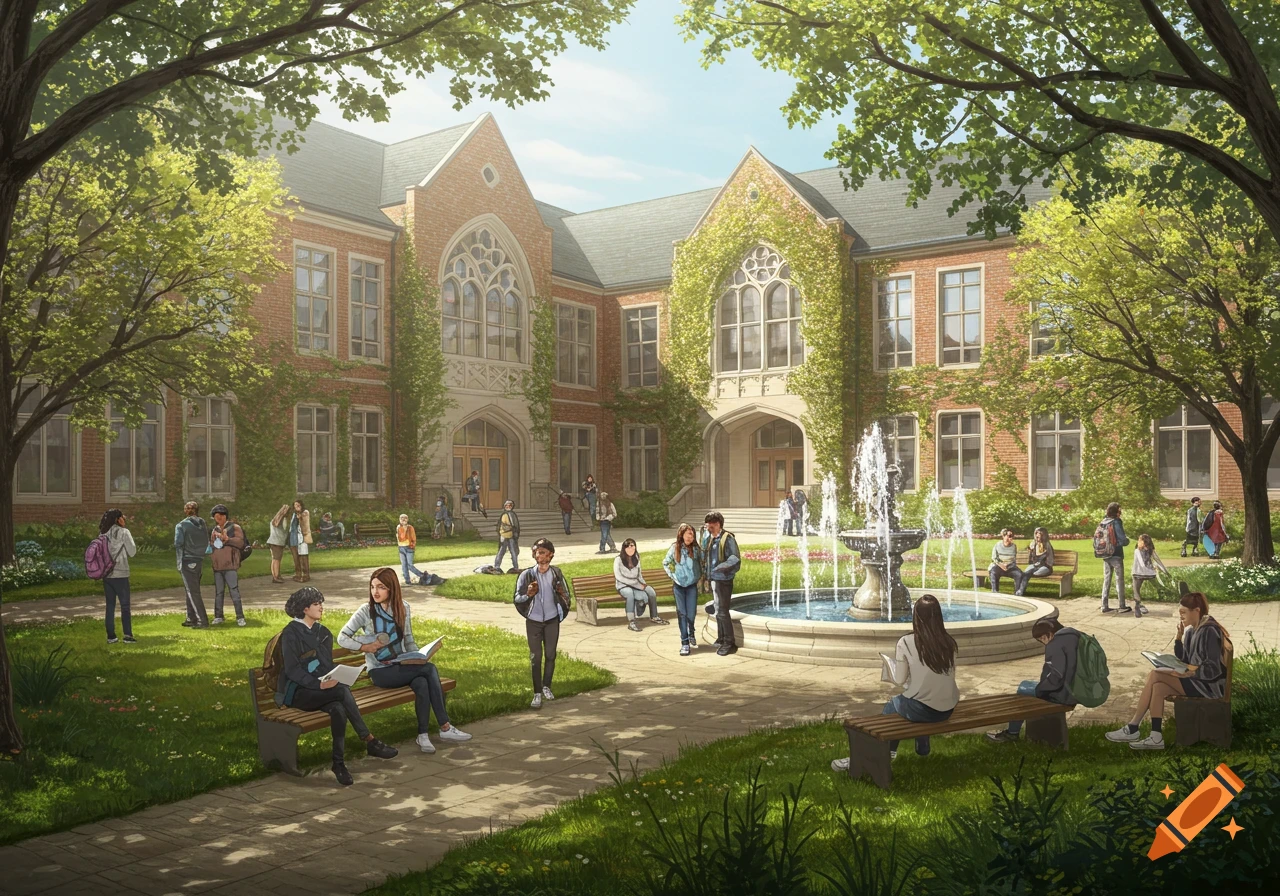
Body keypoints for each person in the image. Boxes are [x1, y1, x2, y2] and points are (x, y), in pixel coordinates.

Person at [338, 568, 471, 754]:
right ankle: (445, 727)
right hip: (379, 671)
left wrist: (417, 656)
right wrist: (365, 646)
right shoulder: (366, 611)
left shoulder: (403, 607)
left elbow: (408, 639)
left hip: (399, 665)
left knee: (422, 682)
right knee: (430, 670)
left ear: (391, 589)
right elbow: (342, 637)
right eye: (372, 587)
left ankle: (423, 735)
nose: (375, 592)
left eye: (381, 587)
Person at [274, 587, 399, 785]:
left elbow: (326, 665)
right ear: (304, 609)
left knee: (339, 709)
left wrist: (340, 674)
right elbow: (292, 670)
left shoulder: (323, 632)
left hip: (322, 691)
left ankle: (338, 764)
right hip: (299, 692)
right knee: (341, 692)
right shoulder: (291, 633)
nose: (321, 608)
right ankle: (369, 740)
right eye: (317, 604)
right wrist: (318, 684)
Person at [834, 594, 958, 769]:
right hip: (947, 708)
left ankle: (886, 752)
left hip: (925, 710)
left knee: (893, 706)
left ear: (916, 616)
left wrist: (890, 667)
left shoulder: (906, 642)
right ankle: (922, 747)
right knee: (918, 696)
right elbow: (945, 678)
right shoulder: (949, 642)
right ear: (938, 615)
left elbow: (899, 679)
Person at [1105, 591, 1230, 750]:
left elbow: (1213, 669)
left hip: (1208, 687)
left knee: (1155, 674)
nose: (1181, 616)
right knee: (1158, 687)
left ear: (1197, 611)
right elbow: (1185, 659)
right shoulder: (1192, 630)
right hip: (1197, 681)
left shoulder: (1209, 631)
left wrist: (1189, 673)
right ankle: (1156, 737)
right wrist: (1179, 639)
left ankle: (1133, 727)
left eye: (1183, 612)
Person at [985, 617, 1079, 744]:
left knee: (1023, 689)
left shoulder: (1056, 644)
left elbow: (1056, 677)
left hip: (1063, 694)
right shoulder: (1073, 635)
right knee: (1026, 685)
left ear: (1050, 633)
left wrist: (1040, 689)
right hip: (1075, 690)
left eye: (1042, 638)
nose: (1043, 642)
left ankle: (1012, 734)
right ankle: (1013, 732)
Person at [513, 538, 571, 709]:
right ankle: (537, 692)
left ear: (550, 555)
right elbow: (517, 598)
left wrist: (562, 596)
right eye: (538, 552)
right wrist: (529, 595)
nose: (540, 555)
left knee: (551, 654)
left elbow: (567, 596)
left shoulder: (557, 573)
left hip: (552, 619)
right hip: (534, 621)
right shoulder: (527, 575)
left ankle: (547, 686)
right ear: (534, 555)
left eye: (544, 552)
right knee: (535, 657)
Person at [701, 511, 741, 656]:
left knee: (723, 611)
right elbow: (704, 551)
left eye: (711, 527)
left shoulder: (727, 538)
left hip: (724, 580)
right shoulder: (712, 538)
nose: (709, 530)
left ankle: (729, 643)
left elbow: (734, 558)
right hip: (714, 579)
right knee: (718, 611)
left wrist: (719, 568)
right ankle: (721, 637)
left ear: (718, 524)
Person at [100, 509, 137, 644]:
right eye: (122, 516)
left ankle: (111, 636)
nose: (124, 518)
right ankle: (127, 635)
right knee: (125, 605)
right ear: (117, 519)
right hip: (121, 573)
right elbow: (132, 552)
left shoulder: (103, 534)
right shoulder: (124, 532)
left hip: (107, 573)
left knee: (110, 606)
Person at [615, 538, 668, 632]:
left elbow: (639, 575)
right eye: (628, 546)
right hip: (622, 586)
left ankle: (654, 616)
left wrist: (644, 585)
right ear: (624, 548)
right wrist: (637, 585)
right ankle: (631, 621)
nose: (631, 549)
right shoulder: (618, 560)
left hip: (636, 584)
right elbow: (619, 577)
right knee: (630, 594)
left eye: (633, 546)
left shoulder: (636, 558)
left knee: (650, 591)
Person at [209, 503, 247, 627]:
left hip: (230, 564)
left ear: (225, 516)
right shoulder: (215, 530)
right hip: (218, 565)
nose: (218, 518)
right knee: (219, 592)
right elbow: (213, 545)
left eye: (220, 515)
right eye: (216, 516)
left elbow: (241, 543)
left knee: (234, 590)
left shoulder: (234, 527)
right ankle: (218, 616)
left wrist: (227, 540)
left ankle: (240, 617)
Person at [174, 500, 209, 628]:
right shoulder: (202, 523)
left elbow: (178, 543)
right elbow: (206, 540)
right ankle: (191, 617)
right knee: (191, 590)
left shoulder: (181, 525)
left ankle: (202, 621)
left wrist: (179, 563)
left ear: (185, 510)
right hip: (199, 560)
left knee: (192, 592)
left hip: (187, 560)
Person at [1098, 502, 1130, 613]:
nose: (1120, 513)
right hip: (1116, 554)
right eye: (1119, 510)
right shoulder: (1116, 522)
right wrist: (1127, 541)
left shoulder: (1104, 521)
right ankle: (1122, 605)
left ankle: (1104, 605)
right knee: (1119, 580)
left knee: (1106, 579)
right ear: (1116, 512)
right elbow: (1122, 539)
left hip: (1105, 553)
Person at [1130, 534, 1167, 617]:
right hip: (1149, 574)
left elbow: (1142, 564)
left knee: (1136, 589)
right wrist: (1164, 570)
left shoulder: (1137, 551)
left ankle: (1137, 605)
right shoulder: (1151, 550)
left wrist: (1152, 568)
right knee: (1156, 585)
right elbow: (1157, 560)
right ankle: (1141, 606)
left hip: (1137, 573)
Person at [1015, 527, 1054, 596]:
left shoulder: (1047, 545)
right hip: (1035, 566)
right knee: (1025, 573)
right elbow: (1032, 559)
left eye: (1040, 533)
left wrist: (1041, 565)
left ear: (1044, 535)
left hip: (1045, 567)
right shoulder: (1033, 544)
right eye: (1036, 533)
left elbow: (1050, 561)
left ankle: (1020, 591)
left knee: (1032, 573)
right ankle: (1019, 591)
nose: (1037, 535)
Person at [396, 513, 430, 586]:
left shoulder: (410, 528)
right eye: (401, 518)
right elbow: (400, 537)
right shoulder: (398, 527)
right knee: (404, 565)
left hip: (409, 548)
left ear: (407, 519)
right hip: (401, 548)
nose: (403, 519)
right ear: (399, 519)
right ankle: (407, 581)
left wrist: (413, 545)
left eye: (405, 518)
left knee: (410, 565)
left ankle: (423, 576)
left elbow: (413, 538)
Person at [988, 528, 1022, 594]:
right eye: (1009, 536)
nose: (1011, 538)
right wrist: (1001, 564)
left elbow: (1013, 559)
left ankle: (1017, 592)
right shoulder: (997, 545)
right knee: (993, 572)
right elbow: (994, 558)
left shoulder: (1013, 546)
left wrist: (1008, 565)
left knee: (1019, 574)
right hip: (999, 566)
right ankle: (995, 591)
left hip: (1010, 567)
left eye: (1012, 536)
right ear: (1004, 536)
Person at [288, 498, 312, 583]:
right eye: (295, 505)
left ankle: (306, 575)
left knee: (303, 556)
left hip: (302, 538)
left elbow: (305, 523)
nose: (297, 507)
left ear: (301, 505)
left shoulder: (305, 513)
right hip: (293, 538)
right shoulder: (294, 514)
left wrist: (300, 516)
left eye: (298, 505)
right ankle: (298, 574)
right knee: (296, 557)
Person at [495, 499, 521, 573]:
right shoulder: (504, 515)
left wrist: (516, 533)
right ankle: (497, 566)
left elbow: (516, 525)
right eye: (507, 505)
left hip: (512, 536)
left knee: (514, 552)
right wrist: (501, 534)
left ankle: (516, 567)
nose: (508, 506)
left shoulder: (513, 515)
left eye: (510, 505)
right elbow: (502, 526)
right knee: (501, 552)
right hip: (504, 536)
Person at [267, 504, 290, 583]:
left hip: (275, 542)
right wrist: (283, 513)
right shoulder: (278, 519)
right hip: (276, 542)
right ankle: (276, 576)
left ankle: (275, 575)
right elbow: (276, 524)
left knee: (275, 559)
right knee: (277, 560)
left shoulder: (276, 519)